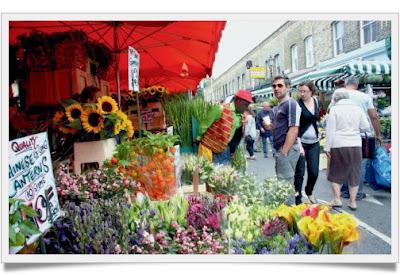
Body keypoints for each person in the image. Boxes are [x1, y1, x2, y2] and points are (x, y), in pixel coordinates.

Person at [333, 76, 382, 201]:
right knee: (359, 165)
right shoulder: (365, 97)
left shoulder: (338, 94)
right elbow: (374, 117)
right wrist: (378, 134)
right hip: (363, 136)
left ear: (346, 84)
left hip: (342, 134)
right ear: (357, 85)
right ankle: (358, 193)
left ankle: (345, 191)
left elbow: (330, 113)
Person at [325, 89, 370, 211]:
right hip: (355, 144)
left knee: (335, 172)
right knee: (354, 172)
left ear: (335, 99)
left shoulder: (334, 110)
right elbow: (366, 127)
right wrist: (354, 131)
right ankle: (353, 201)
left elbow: (330, 131)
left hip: (338, 144)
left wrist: (327, 148)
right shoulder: (358, 109)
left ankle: (337, 199)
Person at [197, 89, 253, 165]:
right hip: (209, 149)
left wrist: (232, 150)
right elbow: (204, 126)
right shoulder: (220, 109)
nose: (246, 108)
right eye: (245, 105)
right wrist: (199, 137)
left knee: (223, 175)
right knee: (208, 173)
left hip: (224, 150)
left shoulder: (241, 116)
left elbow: (236, 135)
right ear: (238, 101)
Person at [293, 81, 321, 205]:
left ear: (311, 91)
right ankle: (298, 198)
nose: (302, 93)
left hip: (314, 142)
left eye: (305, 91)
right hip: (301, 142)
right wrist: (299, 146)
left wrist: (320, 129)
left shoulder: (316, 102)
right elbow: (295, 126)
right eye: (300, 91)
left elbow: (317, 118)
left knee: (314, 172)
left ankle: (309, 191)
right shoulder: (297, 104)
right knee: (300, 172)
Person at [271, 76, 301, 183]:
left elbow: (293, 129)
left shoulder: (290, 104)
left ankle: (289, 201)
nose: (276, 88)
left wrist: (284, 152)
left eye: (280, 85)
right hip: (280, 148)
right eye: (274, 86)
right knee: (282, 181)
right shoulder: (280, 105)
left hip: (288, 149)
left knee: (285, 183)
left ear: (288, 88)